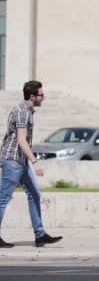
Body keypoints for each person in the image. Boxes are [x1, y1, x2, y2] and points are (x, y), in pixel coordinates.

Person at [0, 81, 63, 248]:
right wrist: (35, 162)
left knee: (34, 193)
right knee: (3, 199)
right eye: (41, 95)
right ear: (32, 96)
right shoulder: (22, 112)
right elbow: (21, 140)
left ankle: (40, 235)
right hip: (13, 161)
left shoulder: (26, 111)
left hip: (21, 161)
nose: (44, 98)